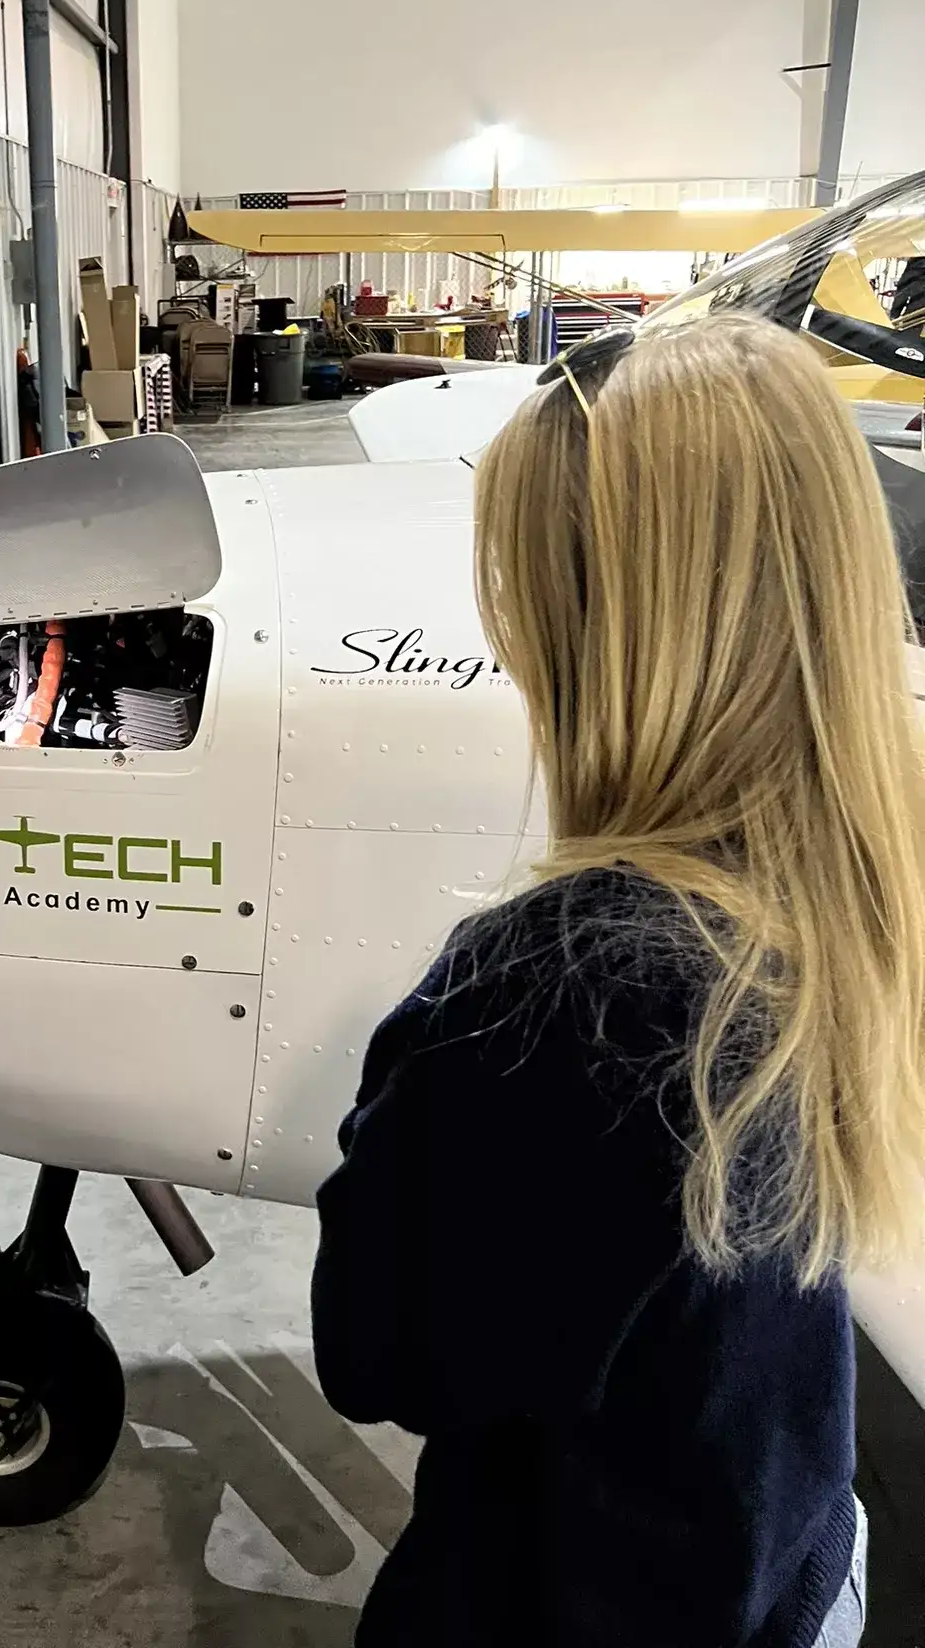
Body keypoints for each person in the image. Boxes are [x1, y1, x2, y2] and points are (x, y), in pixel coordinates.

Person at [313, 316, 925, 1648]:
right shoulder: (844, 879)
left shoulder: (573, 993)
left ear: (597, 621)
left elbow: (379, 1353)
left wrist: (412, 1086)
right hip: (796, 1560)